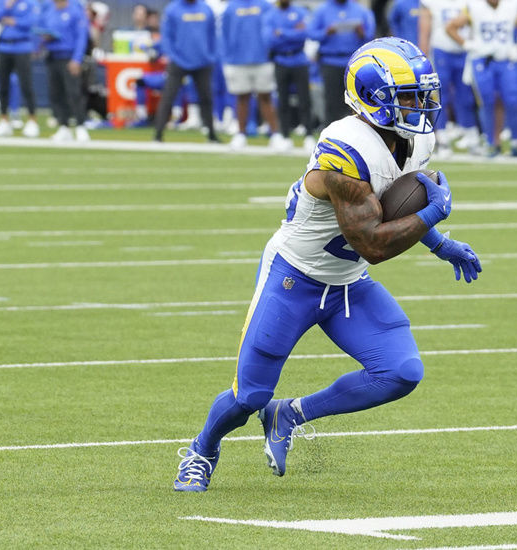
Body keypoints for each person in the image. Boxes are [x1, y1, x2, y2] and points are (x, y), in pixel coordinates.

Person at [173, 37, 482, 490]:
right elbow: (372, 243)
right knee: (249, 396)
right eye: (410, 97)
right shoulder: (344, 150)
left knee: (400, 372)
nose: (422, 106)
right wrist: (433, 214)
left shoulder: (414, 141)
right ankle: (201, 450)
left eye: (423, 94)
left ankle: (290, 415)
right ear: (373, 97)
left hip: (347, 283)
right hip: (294, 279)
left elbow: (390, 205)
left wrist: (438, 242)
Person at [446, 0, 517, 157]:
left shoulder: (512, 6)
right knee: (486, 101)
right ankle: (491, 143)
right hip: (482, 59)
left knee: (513, 101)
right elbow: (451, 27)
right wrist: (466, 44)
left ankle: (516, 142)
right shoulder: (473, 7)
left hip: (506, 59)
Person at [418, 0, 479, 156]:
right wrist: (423, 55)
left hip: (465, 51)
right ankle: (442, 137)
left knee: (466, 95)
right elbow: (424, 29)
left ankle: (470, 134)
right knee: (439, 96)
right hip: (441, 51)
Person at [221, 0, 284, 150]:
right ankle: (241, 135)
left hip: (262, 59)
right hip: (237, 60)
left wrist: (270, 52)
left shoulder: (265, 5)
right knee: (242, 97)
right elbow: (225, 34)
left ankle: (275, 134)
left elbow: (273, 29)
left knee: (266, 96)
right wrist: (227, 59)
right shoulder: (231, 7)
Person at [153, 0, 218, 142]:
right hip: (178, 61)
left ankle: (211, 135)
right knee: (168, 96)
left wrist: (211, 55)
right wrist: (173, 56)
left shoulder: (206, 9)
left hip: (202, 61)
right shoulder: (172, 9)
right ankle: (158, 135)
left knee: (206, 98)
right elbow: (167, 36)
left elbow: (212, 34)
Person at [308, 0, 375, 127]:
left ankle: (357, 135)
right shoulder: (322, 9)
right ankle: (330, 136)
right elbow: (311, 34)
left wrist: (362, 33)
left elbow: (371, 35)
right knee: (332, 101)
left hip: (354, 63)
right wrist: (326, 32)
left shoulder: (360, 10)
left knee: (355, 101)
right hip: (330, 61)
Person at [264, 0, 315, 152]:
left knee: (305, 99)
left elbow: (305, 34)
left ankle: (308, 134)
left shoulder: (300, 12)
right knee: (282, 99)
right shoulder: (271, 15)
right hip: (281, 60)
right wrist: (293, 32)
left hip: (299, 59)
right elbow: (270, 40)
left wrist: (282, 32)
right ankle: (285, 135)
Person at [40, 0, 90, 142]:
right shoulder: (48, 9)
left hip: (69, 57)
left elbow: (81, 36)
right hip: (52, 55)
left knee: (73, 92)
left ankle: (81, 126)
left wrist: (77, 59)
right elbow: (41, 28)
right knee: (56, 93)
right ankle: (64, 126)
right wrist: (44, 38)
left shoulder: (75, 10)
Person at [0, 0, 40, 137]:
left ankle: (32, 120)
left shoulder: (30, 2)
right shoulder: (2, 2)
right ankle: (4, 119)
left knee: (26, 85)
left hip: (22, 47)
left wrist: (15, 21)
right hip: (3, 46)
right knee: (2, 85)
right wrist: (7, 6)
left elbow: (33, 21)